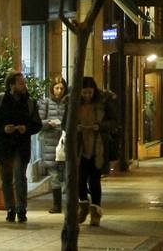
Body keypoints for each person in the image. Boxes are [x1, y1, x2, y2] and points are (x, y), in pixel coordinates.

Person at [0, 72, 42, 224]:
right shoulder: (0, 100)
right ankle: (10, 208)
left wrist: (25, 128)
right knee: (6, 179)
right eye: (21, 83)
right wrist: (3, 128)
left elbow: (37, 124)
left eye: (24, 83)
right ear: (11, 85)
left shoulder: (29, 102)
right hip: (3, 146)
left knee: (20, 177)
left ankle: (21, 209)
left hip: (21, 146)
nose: (24, 86)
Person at [74, 76, 118, 227]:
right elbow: (66, 123)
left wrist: (100, 126)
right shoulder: (73, 103)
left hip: (97, 147)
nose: (87, 96)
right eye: (84, 93)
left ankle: (95, 213)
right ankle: (84, 205)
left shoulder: (103, 103)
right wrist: (75, 128)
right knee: (79, 181)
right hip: (79, 147)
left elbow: (114, 121)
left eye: (89, 92)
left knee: (94, 181)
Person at [38, 76, 68, 213]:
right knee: (54, 175)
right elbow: (39, 122)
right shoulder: (46, 103)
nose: (59, 91)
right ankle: (57, 205)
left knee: (66, 173)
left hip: (65, 141)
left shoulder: (68, 104)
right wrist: (48, 123)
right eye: (57, 88)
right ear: (52, 89)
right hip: (50, 142)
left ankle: (69, 202)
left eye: (62, 88)